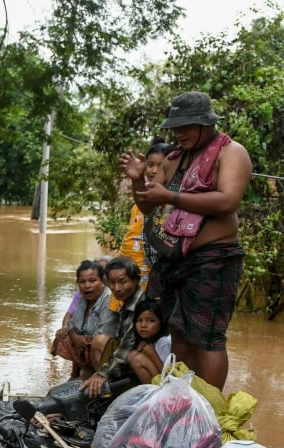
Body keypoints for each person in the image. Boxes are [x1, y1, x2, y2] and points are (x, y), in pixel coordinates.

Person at [119, 91, 251, 390]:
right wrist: (139, 179)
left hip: (214, 258)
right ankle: (184, 399)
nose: (179, 133)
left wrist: (170, 196)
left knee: (209, 338)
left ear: (207, 123)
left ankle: (210, 408)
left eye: (187, 126)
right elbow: (148, 205)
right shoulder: (174, 158)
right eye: (176, 128)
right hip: (176, 257)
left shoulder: (231, 153)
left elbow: (228, 201)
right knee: (179, 331)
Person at [82, 256, 145, 397]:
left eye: (123, 282)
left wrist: (102, 374)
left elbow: (127, 348)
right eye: (112, 282)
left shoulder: (141, 307)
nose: (117, 288)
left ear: (136, 280)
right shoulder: (127, 303)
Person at [119, 139, 174, 290]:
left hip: (165, 276)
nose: (154, 171)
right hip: (139, 276)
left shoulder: (176, 199)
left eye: (161, 166)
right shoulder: (140, 204)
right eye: (150, 165)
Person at [53, 260, 117, 378]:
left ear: (102, 281)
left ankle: (99, 375)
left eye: (92, 281)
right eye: (82, 282)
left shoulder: (108, 298)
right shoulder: (83, 298)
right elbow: (73, 322)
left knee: (95, 341)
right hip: (86, 340)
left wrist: (83, 339)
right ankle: (79, 373)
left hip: (106, 347)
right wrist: (75, 336)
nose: (87, 286)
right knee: (63, 336)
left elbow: (104, 332)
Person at [127, 298, 168, 384]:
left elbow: (170, 376)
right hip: (162, 381)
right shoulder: (148, 340)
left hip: (170, 385)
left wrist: (151, 353)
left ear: (161, 321)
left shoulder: (165, 341)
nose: (143, 325)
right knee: (132, 355)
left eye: (151, 321)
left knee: (137, 359)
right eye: (139, 320)